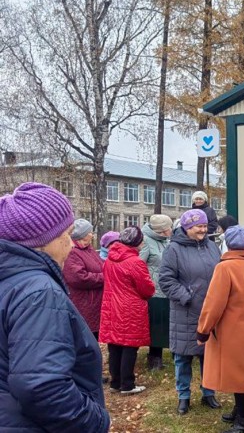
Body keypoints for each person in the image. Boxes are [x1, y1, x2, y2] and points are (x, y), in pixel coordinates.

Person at [0, 182, 110, 431]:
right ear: (42, 240)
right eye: (66, 234)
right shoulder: (38, 293)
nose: (71, 244)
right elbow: (41, 385)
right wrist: (96, 421)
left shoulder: (12, 282)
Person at [197, 226, 244, 433]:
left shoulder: (225, 268)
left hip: (230, 331)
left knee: (238, 375)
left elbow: (213, 303)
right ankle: (240, 412)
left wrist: (203, 330)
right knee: (243, 373)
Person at [159, 208, 221, 415]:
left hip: (210, 310)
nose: (203, 230)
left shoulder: (212, 247)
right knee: (183, 357)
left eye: (204, 226)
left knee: (209, 355)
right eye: (198, 226)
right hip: (185, 311)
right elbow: (166, 280)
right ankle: (183, 396)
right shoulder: (174, 249)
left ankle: (208, 392)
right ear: (187, 228)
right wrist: (187, 297)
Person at [100, 226, 156, 395]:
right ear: (137, 242)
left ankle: (115, 382)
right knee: (130, 346)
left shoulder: (110, 259)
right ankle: (128, 384)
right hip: (130, 308)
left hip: (111, 306)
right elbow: (147, 289)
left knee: (115, 345)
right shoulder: (135, 262)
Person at [141, 214, 174, 370]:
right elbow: (139, 265)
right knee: (156, 326)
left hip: (167, 289)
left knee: (166, 323)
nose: (171, 230)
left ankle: (170, 357)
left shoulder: (166, 241)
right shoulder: (146, 241)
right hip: (153, 291)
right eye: (169, 227)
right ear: (162, 230)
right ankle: (154, 360)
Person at [63, 218, 104, 340]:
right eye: (89, 232)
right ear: (82, 235)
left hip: (94, 302)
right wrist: (104, 277)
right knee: (85, 339)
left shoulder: (89, 249)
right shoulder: (72, 252)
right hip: (83, 303)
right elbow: (78, 277)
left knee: (93, 339)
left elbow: (101, 265)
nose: (92, 234)